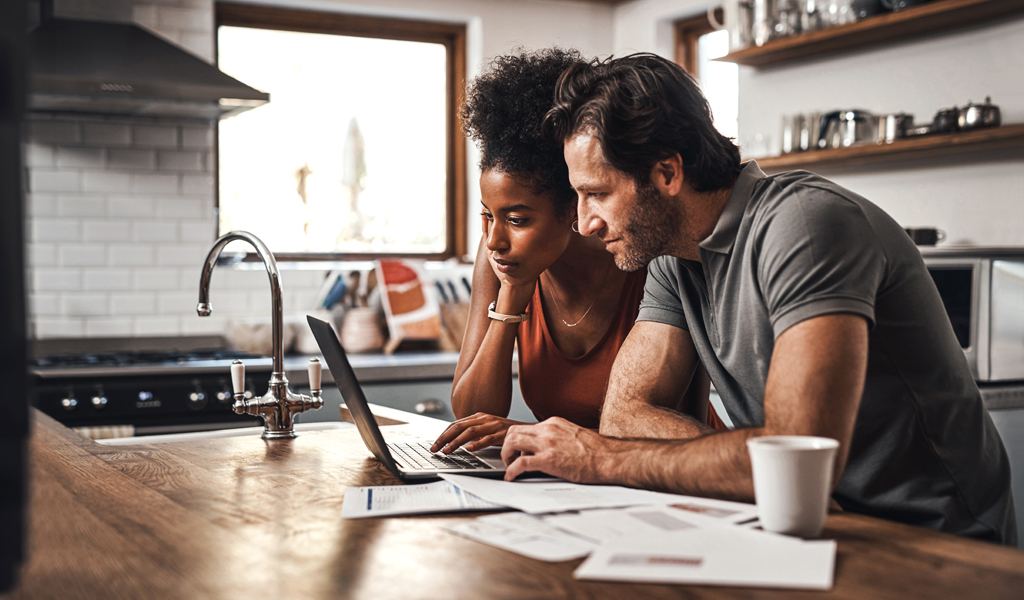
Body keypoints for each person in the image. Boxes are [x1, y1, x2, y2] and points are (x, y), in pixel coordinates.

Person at [499, 52, 1016, 545]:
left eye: (598, 193)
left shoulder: (806, 226)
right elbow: (625, 416)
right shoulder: (672, 258)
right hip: (803, 521)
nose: (586, 223)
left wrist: (603, 459)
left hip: (929, 540)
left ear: (667, 174)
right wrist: (753, 467)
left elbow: (793, 459)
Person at [431, 49, 726, 456]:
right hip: (572, 475)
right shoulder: (503, 259)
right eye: (487, 216)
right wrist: (513, 296)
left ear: (573, 204)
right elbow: (471, 414)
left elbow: (667, 418)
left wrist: (528, 434)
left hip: (670, 466)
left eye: (517, 220)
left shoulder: (644, 252)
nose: (494, 239)